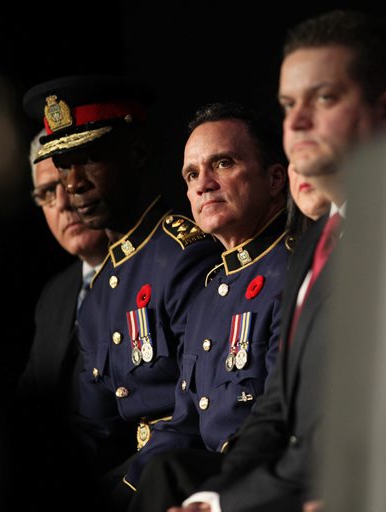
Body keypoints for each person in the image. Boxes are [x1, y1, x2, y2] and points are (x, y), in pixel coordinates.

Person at [128, 9, 386, 512]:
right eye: (287, 104)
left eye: (323, 98)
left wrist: (230, 499)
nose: (296, 122)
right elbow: (274, 410)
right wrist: (215, 497)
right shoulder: (318, 250)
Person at [22, 74, 222, 502]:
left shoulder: (184, 256)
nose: (72, 184)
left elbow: (198, 413)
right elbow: (94, 426)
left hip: (180, 479)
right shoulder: (102, 286)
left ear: (139, 153)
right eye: (62, 165)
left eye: (88, 158)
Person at [122, 102, 319, 495]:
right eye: (191, 174)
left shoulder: (296, 269)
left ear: (276, 178)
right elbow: (183, 426)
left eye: (223, 164)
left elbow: (284, 419)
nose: (202, 184)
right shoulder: (212, 290)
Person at [17, 129, 108, 411]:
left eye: (69, 182)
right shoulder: (55, 295)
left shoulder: (155, 270)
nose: (65, 204)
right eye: (47, 194)